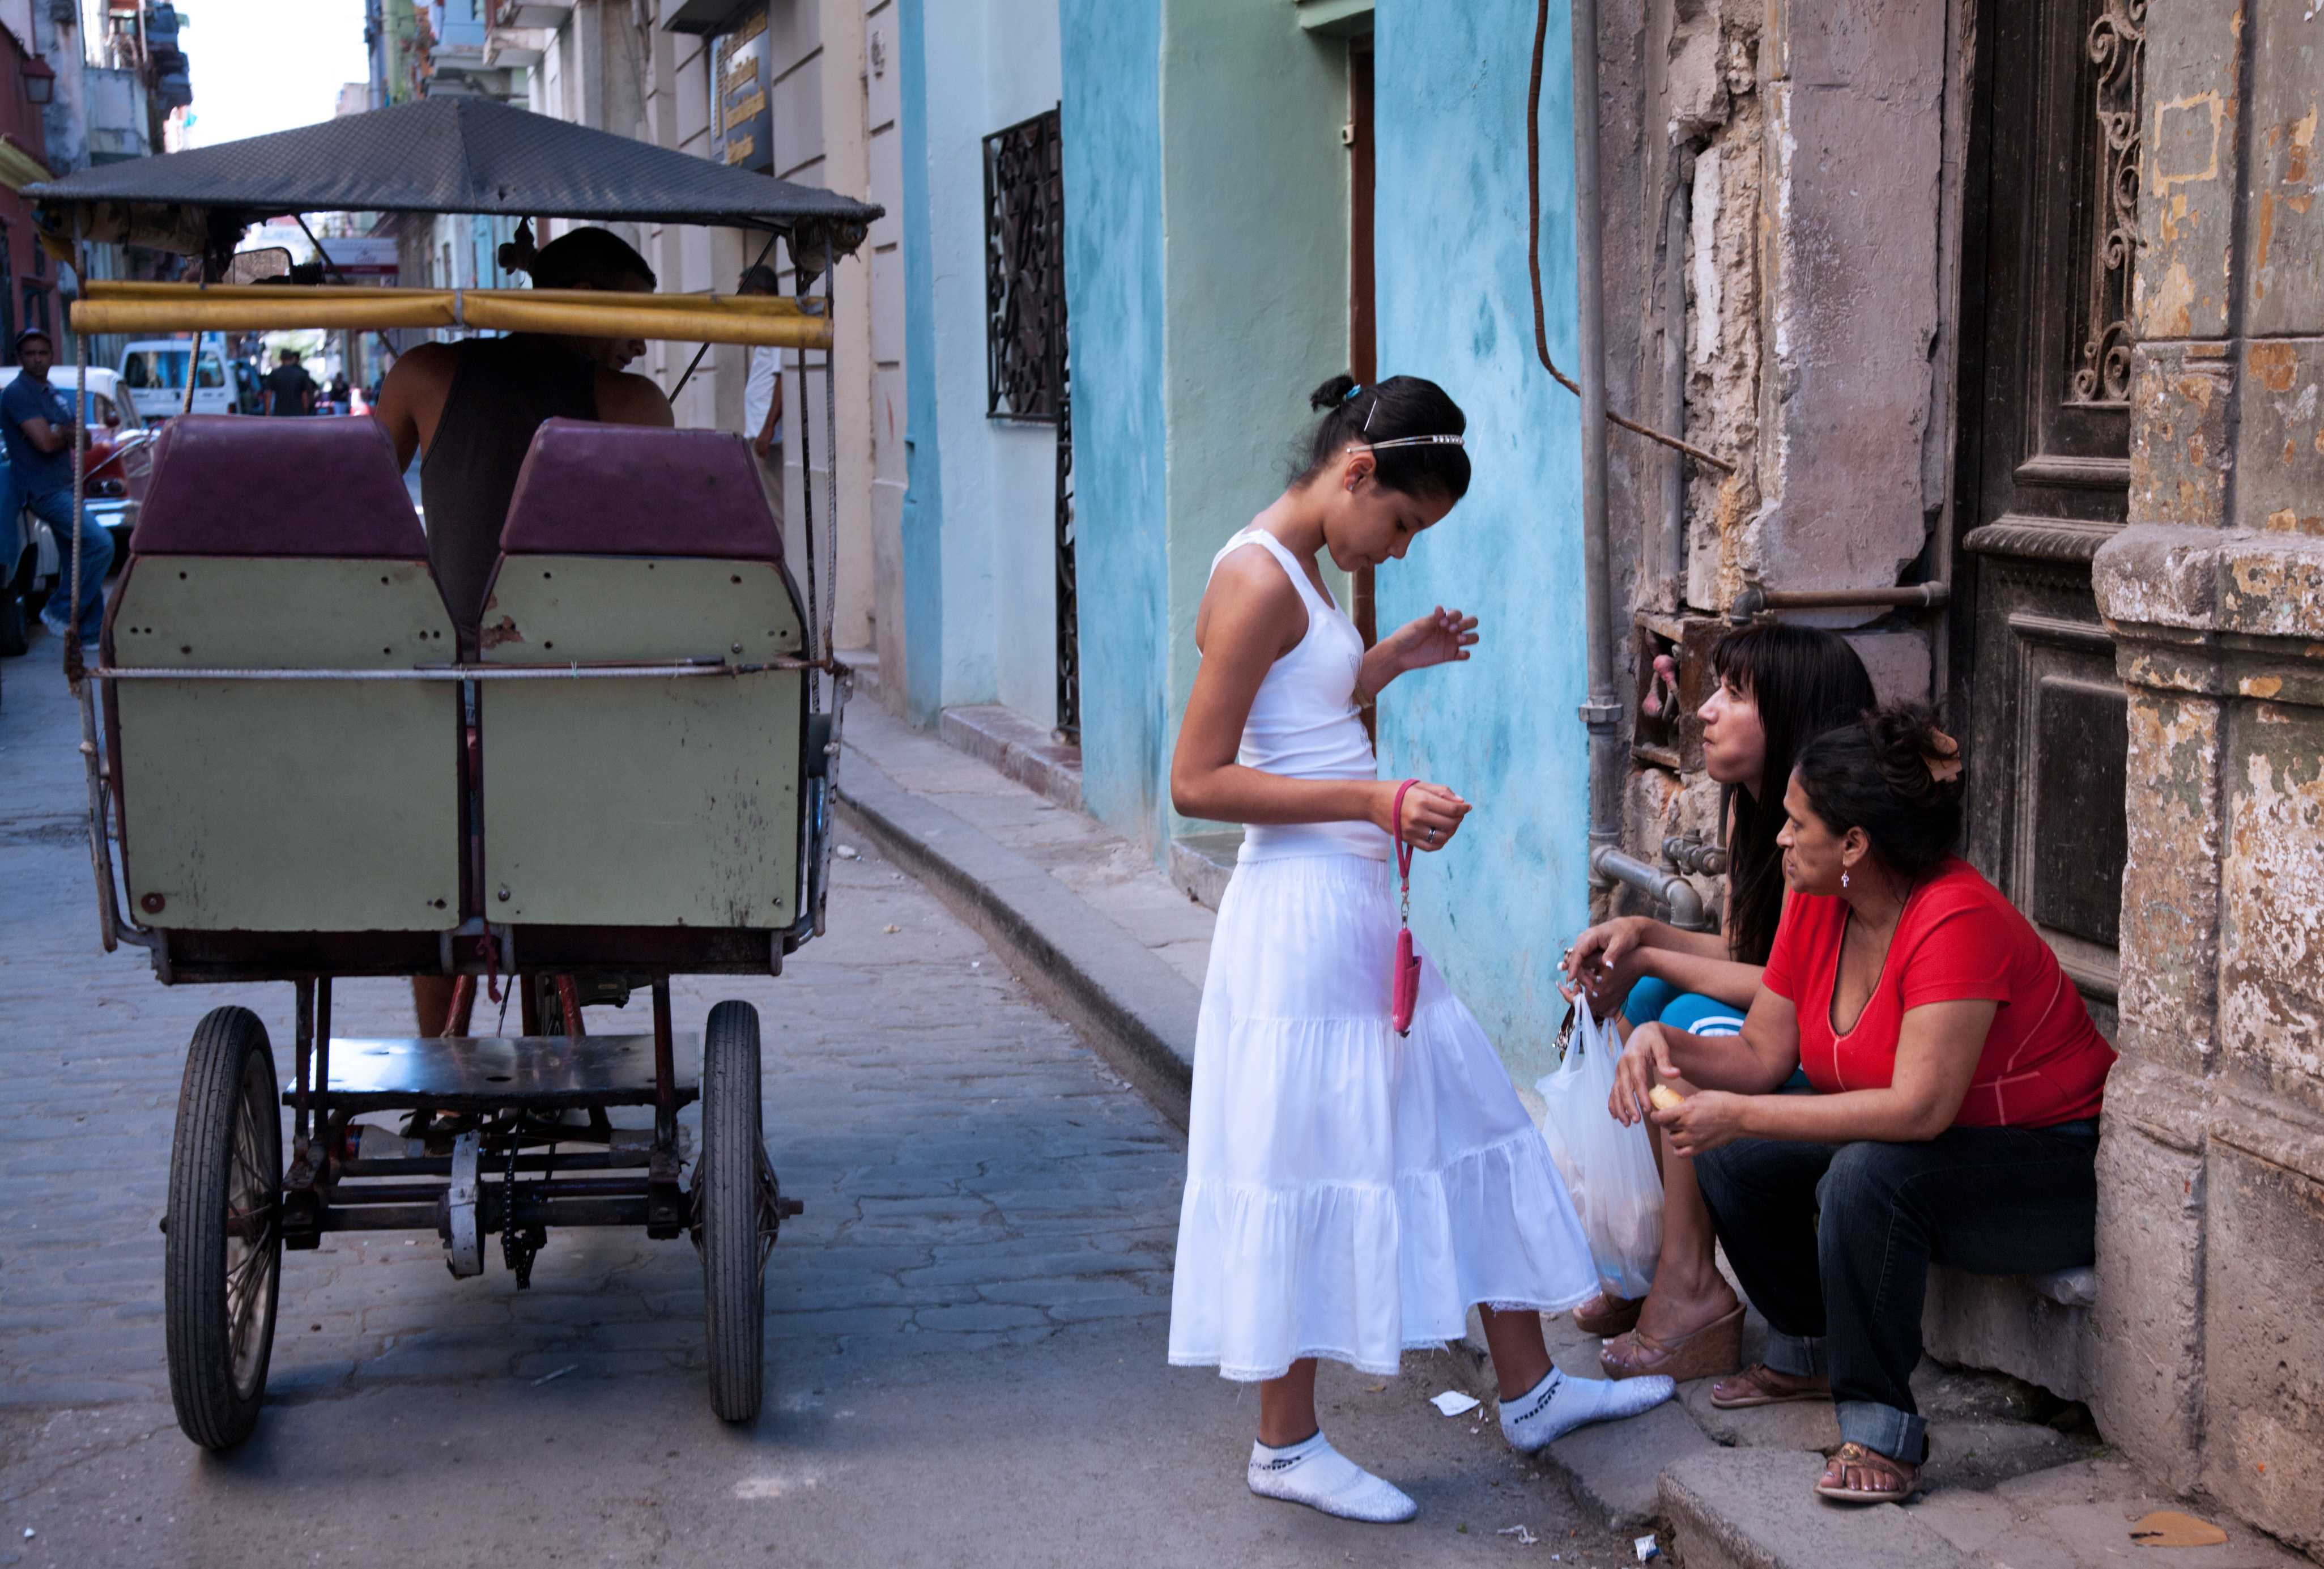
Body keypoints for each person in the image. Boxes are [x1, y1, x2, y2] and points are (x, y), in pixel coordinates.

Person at [1168, 373, 1675, 1525]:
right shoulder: (1255, 576)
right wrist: (1374, 795)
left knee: (1475, 1121)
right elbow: (1197, 779)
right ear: (1354, 470)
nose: (1394, 550)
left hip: (1347, 915)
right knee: (1301, 1162)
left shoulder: (1295, 574)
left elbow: (1290, 713)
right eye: (1397, 523)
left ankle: (1532, 1387)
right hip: (1297, 924)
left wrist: (1378, 665)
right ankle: (1284, 1444)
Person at [1612, 704, 2117, 1505]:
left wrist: (1739, 1111)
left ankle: (1882, 1428)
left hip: (2050, 1162)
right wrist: (1658, 1046)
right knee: (1734, 1157)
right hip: (1938, 1148)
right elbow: (1759, 1053)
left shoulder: (1955, 918)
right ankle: (1809, 1348)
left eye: (1795, 823)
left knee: (1863, 1177)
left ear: (1853, 844)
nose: (1778, 838)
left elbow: (1917, 1112)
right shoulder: (1819, 899)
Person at [371, 223, 675, 1037]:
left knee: (430, 869)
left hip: (445, 684)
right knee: (567, 832)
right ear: (580, 302)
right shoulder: (635, 406)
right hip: (570, 687)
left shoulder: (422, 375)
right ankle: (553, 1029)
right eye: (630, 319)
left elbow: (360, 511)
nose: (644, 343)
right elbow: (666, 554)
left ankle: (440, 1060)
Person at [1557, 624, 1877, 1380]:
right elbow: (1746, 954)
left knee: (1673, 1025)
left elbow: (1785, 997)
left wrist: (1648, 941)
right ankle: (1642, 1258)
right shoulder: (1754, 811)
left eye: (1734, 695)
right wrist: (1639, 937)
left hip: (1818, 1057)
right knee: (1634, 992)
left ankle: (1688, 1281)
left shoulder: (1833, 842)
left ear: (1795, 719)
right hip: (1781, 1022)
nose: (1703, 710)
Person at [1, 329, 112, 647]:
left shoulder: (52, 392)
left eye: (42, 353)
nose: (37, 359)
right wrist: (62, 433)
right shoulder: (18, 393)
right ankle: (60, 610)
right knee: (100, 544)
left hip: (65, 485)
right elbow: (47, 443)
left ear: (52, 356)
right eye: (30, 354)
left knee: (77, 559)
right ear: (19, 358)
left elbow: (86, 439)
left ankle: (90, 633)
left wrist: (61, 432)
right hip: (44, 490)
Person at [738, 264, 785, 522]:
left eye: (742, 293)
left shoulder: (779, 323)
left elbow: (782, 379)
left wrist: (768, 429)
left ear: (756, 293)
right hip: (760, 432)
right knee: (765, 507)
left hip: (770, 437)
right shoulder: (768, 324)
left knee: (775, 510)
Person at [263, 348, 317, 417]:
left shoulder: (274, 374)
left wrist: (267, 414)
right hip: (297, 414)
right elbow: (304, 396)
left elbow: (269, 395)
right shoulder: (301, 374)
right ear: (292, 358)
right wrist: (305, 413)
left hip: (279, 414)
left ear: (281, 358)